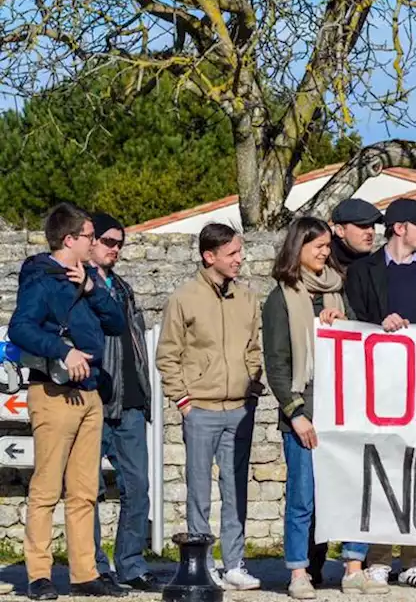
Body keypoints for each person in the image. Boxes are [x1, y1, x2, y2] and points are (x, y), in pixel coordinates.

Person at [9, 203, 127, 600]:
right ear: (69, 239)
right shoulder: (41, 279)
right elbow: (19, 327)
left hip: (89, 394)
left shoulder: (89, 277)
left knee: (84, 490)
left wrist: (93, 289)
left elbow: (117, 323)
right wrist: (62, 350)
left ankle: (84, 572)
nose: (95, 242)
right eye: (90, 236)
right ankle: (39, 575)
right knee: (46, 488)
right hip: (54, 394)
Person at [262, 217, 383, 599]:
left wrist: (343, 324)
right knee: (303, 497)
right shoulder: (280, 298)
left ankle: (353, 566)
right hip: (306, 412)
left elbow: (356, 343)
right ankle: (299, 571)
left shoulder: (337, 290)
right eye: (318, 246)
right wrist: (295, 414)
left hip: (342, 409)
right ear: (298, 247)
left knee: (351, 489)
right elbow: (277, 363)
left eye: (328, 246)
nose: (325, 252)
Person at [344, 198, 416, 591]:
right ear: (399, 229)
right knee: (382, 469)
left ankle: (415, 559)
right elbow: (352, 324)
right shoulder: (363, 272)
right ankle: (378, 558)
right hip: (380, 390)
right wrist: (378, 325)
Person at [155, 223, 264, 589]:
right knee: (198, 489)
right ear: (209, 256)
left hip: (239, 409)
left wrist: (251, 387)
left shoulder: (247, 298)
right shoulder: (183, 298)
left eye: (239, 252)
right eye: (232, 253)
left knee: (236, 489)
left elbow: (254, 348)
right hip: (199, 409)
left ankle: (234, 562)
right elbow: (167, 354)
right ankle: (202, 563)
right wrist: (183, 401)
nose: (239, 259)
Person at [88, 214, 159, 592]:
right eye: (108, 241)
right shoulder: (80, 287)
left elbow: (136, 349)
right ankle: (94, 566)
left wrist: (145, 395)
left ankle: (130, 564)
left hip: (130, 404)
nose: (114, 248)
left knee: (138, 487)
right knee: (90, 490)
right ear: (90, 240)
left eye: (119, 243)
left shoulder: (125, 289)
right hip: (94, 401)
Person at [328, 199, 384, 276]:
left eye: (372, 226)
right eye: (363, 225)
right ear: (340, 231)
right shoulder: (322, 267)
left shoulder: (378, 263)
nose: (371, 231)